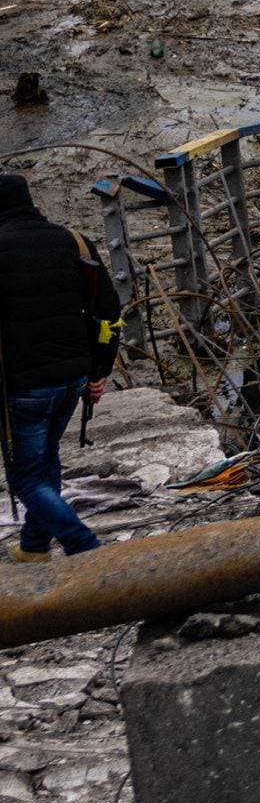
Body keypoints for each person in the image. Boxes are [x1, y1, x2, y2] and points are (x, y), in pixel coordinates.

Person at [0, 174, 112, 561]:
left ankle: (85, 545)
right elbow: (108, 313)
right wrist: (99, 372)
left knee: (26, 476)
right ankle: (34, 546)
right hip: (74, 377)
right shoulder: (75, 242)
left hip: (24, 387)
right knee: (47, 461)